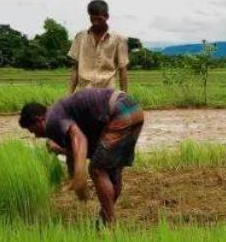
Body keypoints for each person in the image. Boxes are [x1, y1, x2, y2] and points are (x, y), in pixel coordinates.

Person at [18, 87, 145, 226]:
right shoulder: (61, 112)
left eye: (33, 130)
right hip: (132, 109)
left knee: (97, 169)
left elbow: (79, 138)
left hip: (119, 112)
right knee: (111, 169)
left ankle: (109, 224)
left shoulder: (52, 119)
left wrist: (80, 176)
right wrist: (71, 174)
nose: (36, 135)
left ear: (39, 120)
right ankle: (104, 219)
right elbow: (76, 151)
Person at [68, 0, 129, 93]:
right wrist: (69, 95)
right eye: (92, 19)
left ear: (107, 16)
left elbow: (122, 70)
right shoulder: (80, 37)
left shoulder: (119, 40)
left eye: (99, 19)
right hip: (83, 93)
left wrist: (124, 96)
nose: (95, 22)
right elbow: (75, 68)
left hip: (107, 93)